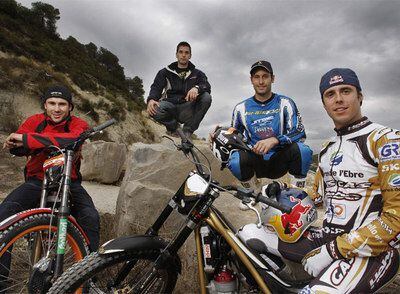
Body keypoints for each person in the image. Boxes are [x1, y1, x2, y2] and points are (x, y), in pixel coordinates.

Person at [239, 68, 400, 293]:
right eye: (330, 94)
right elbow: (318, 198)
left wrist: (334, 251)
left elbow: (396, 220)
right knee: (246, 235)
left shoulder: (386, 140)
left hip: (372, 252)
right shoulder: (328, 148)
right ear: (324, 104)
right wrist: (279, 190)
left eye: (346, 91)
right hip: (328, 236)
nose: (339, 99)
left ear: (360, 96)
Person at [0, 85, 100, 252]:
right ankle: (2, 277)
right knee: (4, 213)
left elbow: (74, 138)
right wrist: (21, 144)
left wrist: (28, 139)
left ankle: (87, 274)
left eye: (62, 104)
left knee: (90, 217)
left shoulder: (79, 124)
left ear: (70, 107)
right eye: (52, 103)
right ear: (45, 105)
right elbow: (17, 146)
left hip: (69, 183)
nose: (57, 109)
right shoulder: (34, 121)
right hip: (37, 181)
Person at [220, 60, 313, 190]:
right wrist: (219, 134)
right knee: (235, 159)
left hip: (279, 159)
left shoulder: (285, 103)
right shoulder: (240, 108)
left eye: (265, 76)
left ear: (272, 78)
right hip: (255, 160)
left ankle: (297, 193)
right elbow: (235, 136)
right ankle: (251, 192)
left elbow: (299, 132)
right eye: (257, 77)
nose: (261, 81)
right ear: (251, 80)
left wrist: (275, 140)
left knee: (303, 151)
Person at [147, 41, 212, 138]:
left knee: (206, 97)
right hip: (170, 106)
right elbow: (156, 87)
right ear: (176, 54)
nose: (183, 55)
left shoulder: (198, 73)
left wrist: (197, 88)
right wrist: (151, 99)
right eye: (181, 52)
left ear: (190, 55)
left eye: (186, 53)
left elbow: (206, 85)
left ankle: (187, 131)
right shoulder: (164, 72)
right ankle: (175, 128)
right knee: (154, 108)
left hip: (188, 107)